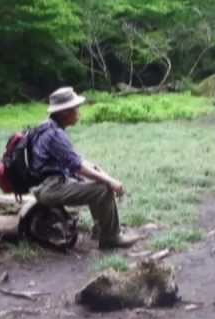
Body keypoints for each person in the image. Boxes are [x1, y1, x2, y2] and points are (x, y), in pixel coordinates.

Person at [30, 87, 143, 249]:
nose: (78, 112)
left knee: (95, 180)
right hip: (49, 188)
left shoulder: (47, 127)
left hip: (45, 184)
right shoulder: (55, 135)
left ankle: (100, 229)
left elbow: (75, 160)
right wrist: (110, 181)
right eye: (75, 109)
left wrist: (98, 170)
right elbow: (77, 167)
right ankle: (111, 238)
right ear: (64, 112)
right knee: (102, 189)